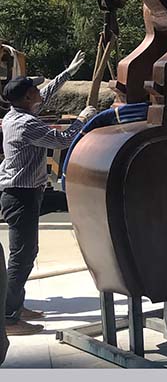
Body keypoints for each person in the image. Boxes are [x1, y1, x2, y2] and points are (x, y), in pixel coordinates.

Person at [0, 51, 98, 336]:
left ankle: (16, 305)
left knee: (26, 253)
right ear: (27, 97)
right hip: (21, 195)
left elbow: (46, 92)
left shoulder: (17, 112)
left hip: (24, 192)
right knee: (22, 256)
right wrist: (82, 119)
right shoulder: (26, 124)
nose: (39, 91)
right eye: (34, 89)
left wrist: (68, 72)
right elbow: (64, 140)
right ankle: (8, 319)